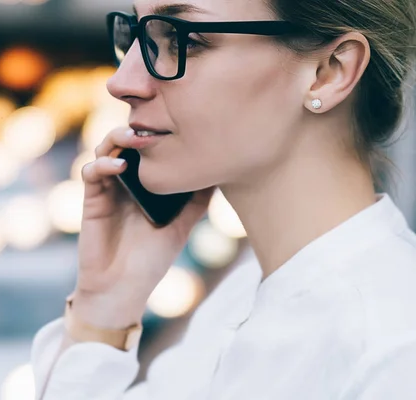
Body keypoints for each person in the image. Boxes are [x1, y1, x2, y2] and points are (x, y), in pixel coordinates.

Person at [31, 0, 416, 398]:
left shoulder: (393, 349)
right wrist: (106, 304)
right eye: (138, 37)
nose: (122, 82)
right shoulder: (234, 303)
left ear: (329, 72)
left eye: (184, 41)